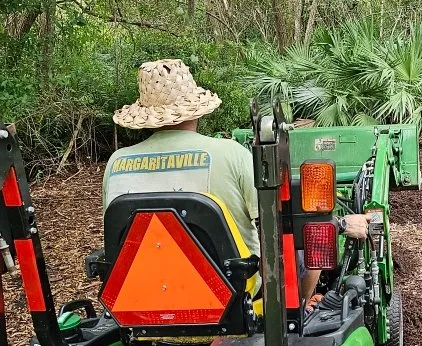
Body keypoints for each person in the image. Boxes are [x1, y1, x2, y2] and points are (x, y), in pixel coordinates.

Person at [105, 59, 368, 303]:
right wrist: (342, 223)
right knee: (300, 235)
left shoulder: (117, 163)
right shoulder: (230, 154)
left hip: (142, 297)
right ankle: (300, 308)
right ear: (197, 111)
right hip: (229, 296)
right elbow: (277, 223)